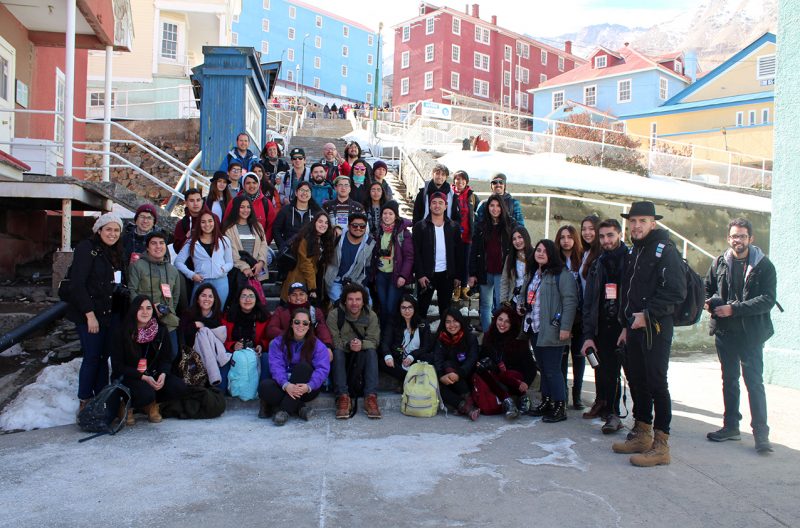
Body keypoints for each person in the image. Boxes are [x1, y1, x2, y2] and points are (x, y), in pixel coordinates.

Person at [613, 201, 686, 467]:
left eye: (642, 221)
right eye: (632, 221)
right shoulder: (636, 251)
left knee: (656, 382)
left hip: (655, 327)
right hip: (633, 328)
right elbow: (629, 292)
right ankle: (642, 433)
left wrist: (648, 314)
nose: (636, 225)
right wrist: (625, 325)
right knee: (637, 379)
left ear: (653, 223)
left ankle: (661, 445)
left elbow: (676, 291)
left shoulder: (664, 250)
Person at [704, 218, 777, 454]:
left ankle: (761, 434)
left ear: (751, 239)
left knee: (754, 383)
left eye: (743, 236)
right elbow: (708, 288)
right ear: (728, 238)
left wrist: (735, 309)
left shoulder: (764, 266)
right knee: (729, 380)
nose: (738, 240)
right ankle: (731, 427)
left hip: (751, 335)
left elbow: (767, 300)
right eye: (734, 236)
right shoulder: (719, 263)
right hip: (725, 332)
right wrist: (710, 302)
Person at [66, 213, 127, 412]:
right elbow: (77, 284)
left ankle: (101, 398)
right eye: (108, 229)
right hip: (90, 314)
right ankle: (84, 399)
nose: (112, 233)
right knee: (92, 357)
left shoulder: (116, 252)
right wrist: (89, 315)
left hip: (110, 313)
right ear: (99, 230)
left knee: (103, 357)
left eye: (116, 230)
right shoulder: (87, 249)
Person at [522, 239, 578, 424]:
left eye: (545, 251)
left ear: (552, 254)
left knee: (553, 370)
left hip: (553, 329)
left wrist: (565, 327)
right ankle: (546, 401)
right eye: (538, 250)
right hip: (535, 328)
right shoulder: (534, 274)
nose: (540, 253)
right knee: (544, 369)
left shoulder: (562, 274)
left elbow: (570, 301)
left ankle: (560, 406)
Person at [580, 219, 628, 433]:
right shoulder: (598, 263)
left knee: (623, 374)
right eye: (602, 236)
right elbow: (589, 301)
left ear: (619, 234)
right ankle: (609, 410)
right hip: (602, 327)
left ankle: (618, 414)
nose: (606, 240)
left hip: (624, 327)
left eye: (610, 235)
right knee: (604, 370)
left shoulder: (630, 260)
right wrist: (588, 334)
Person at [112, 295, 187, 425]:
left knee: (178, 387)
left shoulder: (161, 330)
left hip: (153, 373)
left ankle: (152, 404)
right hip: (130, 376)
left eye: (148, 308)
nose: (145, 312)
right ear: (134, 310)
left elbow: (165, 358)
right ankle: (126, 405)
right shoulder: (122, 332)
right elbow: (118, 366)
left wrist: (163, 374)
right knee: (145, 393)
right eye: (140, 308)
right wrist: (143, 377)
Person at [259, 307, 330, 425]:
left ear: (309, 326)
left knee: (303, 368)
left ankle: (282, 411)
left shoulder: (318, 345)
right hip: (284, 385)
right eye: (297, 322)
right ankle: (300, 408)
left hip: (307, 388)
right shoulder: (278, 342)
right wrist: (286, 385)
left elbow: (322, 369)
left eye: (305, 323)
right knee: (264, 387)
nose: (300, 325)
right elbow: (276, 367)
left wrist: (309, 386)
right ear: (291, 323)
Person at [328, 282, 381, 419]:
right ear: (344, 301)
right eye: (350, 299)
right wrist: (348, 345)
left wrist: (361, 344)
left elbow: (374, 341)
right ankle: (342, 397)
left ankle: (371, 397)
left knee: (371, 352)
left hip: (362, 358)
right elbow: (334, 341)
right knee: (337, 353)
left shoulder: (371, 316)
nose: (354, 303)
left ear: (363, 302)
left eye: (358, 299)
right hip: (344, 357)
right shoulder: (335, 315)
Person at [128, 230, 182, 360]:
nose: (158, 246)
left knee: (172, 353)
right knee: (145, 356)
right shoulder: (137, 266)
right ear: (147, 247)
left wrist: (168, 309)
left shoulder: (173, 270)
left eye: (161, 243)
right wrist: (149, 309)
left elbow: (175, 296)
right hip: (145, 319)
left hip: (168, 319)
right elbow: (132, 291)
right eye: (154, 243)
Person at [478, 306, 538, 419]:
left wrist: (526, 383)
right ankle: (507, 401)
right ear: (495, 319)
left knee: (508, 374)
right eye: (500, 320)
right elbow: (482, 357)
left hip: (514, 380)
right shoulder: (488, 336)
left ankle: (522, 397)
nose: (502, 324)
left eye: (507, 321)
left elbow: (531, 367)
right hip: (496, 379)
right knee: (482, 369)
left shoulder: (519, 340)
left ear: (512, 324)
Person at [413, 192, 463, 321]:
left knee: (445, 311)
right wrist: (420, 274)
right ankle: (421, 338)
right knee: (421, 310)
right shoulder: (420, 226)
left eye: (440, 203)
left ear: (446, 206)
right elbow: (416, 253)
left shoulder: (453, 227)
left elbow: (459, 253)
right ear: (429, 206)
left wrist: (458, 275)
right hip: (426, 276)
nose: (437, 206)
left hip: (447, 274)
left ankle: (443, 339)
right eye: (434, 202)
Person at [469, 195, 515, 332]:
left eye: (498, 206)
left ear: (502, 207)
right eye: (491, 206)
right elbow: (474, 251)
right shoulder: (481, 226)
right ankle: (487, 334)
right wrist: (472, 273)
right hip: (485, 271)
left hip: (503, 272)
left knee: (502, 306)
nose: (495, 209)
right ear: (487, 207)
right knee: (485, 305)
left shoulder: (510, 225)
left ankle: (500, 334)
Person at [371, 200, 413, 338]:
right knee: (383, 307)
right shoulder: (378, 231)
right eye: (384, 213)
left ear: (396, 216)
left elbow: (409, 257)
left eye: (390, 213)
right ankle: (382, 336)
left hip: (395, 275)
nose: (387, 216)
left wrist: (403, 276)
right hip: (381, 275)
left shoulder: (403, 233)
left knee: (391, 307)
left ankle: (393, 335)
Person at [555, 224, 587, 410]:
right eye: (562, 237)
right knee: (562, 355)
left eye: (569, 237)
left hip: (580, 315)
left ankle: (578, 394)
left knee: (579, 355)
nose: (565, 240)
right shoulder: (555, 260)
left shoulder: (582, 259)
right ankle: (564, 392)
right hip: (561, 314)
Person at [174, 211, 233, 307]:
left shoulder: (224, 240)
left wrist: (223, 269)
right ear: (199, 224)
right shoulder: (192, 242)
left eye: (210, 221)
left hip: (221, 282)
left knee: (218, 312)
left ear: (214, 222)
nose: (207, 225)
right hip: (201, 282)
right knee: (196, 312)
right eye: (203, 222)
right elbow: (178, 262)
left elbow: (230, 262)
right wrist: (192, 275)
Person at [221, 285, 271, 394]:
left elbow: (269, 338)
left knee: (267, 358)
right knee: (223, 357)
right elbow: (220, 339)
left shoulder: (264, 316)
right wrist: (232, 345)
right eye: (243, 296)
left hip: (255, 354)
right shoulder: (228, 316)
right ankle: (222, 393)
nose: (247, 299)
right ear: (238, 299)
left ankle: (263, 392)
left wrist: (261, 345)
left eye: (251, 296)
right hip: (234, 354)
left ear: (256, 299)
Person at [432, 308, 480, 420]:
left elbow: (472, 360)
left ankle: (467, 399)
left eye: (455, 321)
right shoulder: (441, 338)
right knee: (437, 388)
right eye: (448, 322)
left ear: (460, 321)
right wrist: (441, 377)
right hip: (448, 379)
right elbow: (437, 359)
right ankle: (467, 406)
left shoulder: (470, 338)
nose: (452, 325)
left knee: (449, 364)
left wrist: (458, 374)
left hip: (466, 379)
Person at [280, 212, 336, 302]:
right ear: (314, 223)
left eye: (326, 223)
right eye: (320, 222)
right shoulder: (306, 238)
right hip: (299, 281)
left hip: (310, 281)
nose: (323, 225)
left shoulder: (321, 239)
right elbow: (306, 265)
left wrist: (337, 228)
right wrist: (312, 288)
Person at [324, 212, 376, 305]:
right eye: (355, 225)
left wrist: (357, 284)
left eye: (362, 226)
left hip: (356, 282)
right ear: (348, 226)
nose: (358, 228)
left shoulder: (370, 244)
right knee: (342, 304)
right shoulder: (337, 238)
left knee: (368, 305)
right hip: (335, 281)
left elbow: (367, 269)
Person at [267, 282, 333, 352]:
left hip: (309, 345)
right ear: (289, 298)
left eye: (301, 294)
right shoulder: (281, 310)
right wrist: (293, 335)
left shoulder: (315, 311)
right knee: (273, 343)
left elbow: (322, 330)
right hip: (287, 343)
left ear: (306, 297)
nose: (298, 298)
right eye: (294, 295)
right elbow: (271, 329)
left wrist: (327, 346)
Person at [379, 294, 431, 383]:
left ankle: (406, 379)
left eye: (410, 307)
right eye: (403, 308)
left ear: (415, 308)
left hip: (416, 359)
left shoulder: (423, 324)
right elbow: (385, 342)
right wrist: (388, 356)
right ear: (399, 309)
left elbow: (426, 347)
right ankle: (409, 378)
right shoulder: (393, 323)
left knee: (428, 357)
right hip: (397, 359)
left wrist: (412, 356)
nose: (407, 311)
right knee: (381, 360)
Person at [222, 195, 269, 287]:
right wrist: (245, 268)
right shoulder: (228, 228)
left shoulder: (258, 226)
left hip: (257, 270)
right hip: (239, 271)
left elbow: (263, 245)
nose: (246, 210)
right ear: (236, 208)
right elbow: (232, 252)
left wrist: (261, 262)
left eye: (248, 207)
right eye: (242, 207)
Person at [223, 172, 273, 243]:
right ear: (243, 185)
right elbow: (226, 223)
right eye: (248, 183)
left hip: (259, 247)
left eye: (254, 182)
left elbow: (271, 226)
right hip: (236, 246)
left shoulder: (266, 203)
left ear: (258, 184)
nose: (251, 185)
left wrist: (264, 244)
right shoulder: (234, 202)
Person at [452, 170, 478, 301]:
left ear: (466, 182)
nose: (460, 182)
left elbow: (476, 215)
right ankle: (455, 289)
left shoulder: (472, 196)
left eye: (462, 179)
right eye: (457, 179)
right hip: (453, 235)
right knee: (455, 261)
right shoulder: (450, 194)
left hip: (468, 235)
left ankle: (464, 288)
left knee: (466, 262)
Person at [272, 181, 320, 252]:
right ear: (296, 193)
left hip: (309, 252)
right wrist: (282, 246)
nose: (304, 193)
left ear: (310, 194)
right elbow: (276, 229)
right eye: (302, 190)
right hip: (289, 251)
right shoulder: (286, 210)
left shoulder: (316, 211)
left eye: (307, 191)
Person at [499, 226, 535, 306]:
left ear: (526, 237)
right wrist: (504, 300)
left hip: (530, 300)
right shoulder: (510, 257)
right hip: (513, 300)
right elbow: (505, 280)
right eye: (514, 239)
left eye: (520, 237)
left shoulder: (535, 256)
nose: (517, 241)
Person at [173, 188, 206, 253]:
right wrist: (186, 238)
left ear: (202, 201)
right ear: (186, 203)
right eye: (191, 200)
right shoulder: (181, 224)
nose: (195, 204)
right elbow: (177, 249)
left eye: (198, 200)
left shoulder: (212, 219)